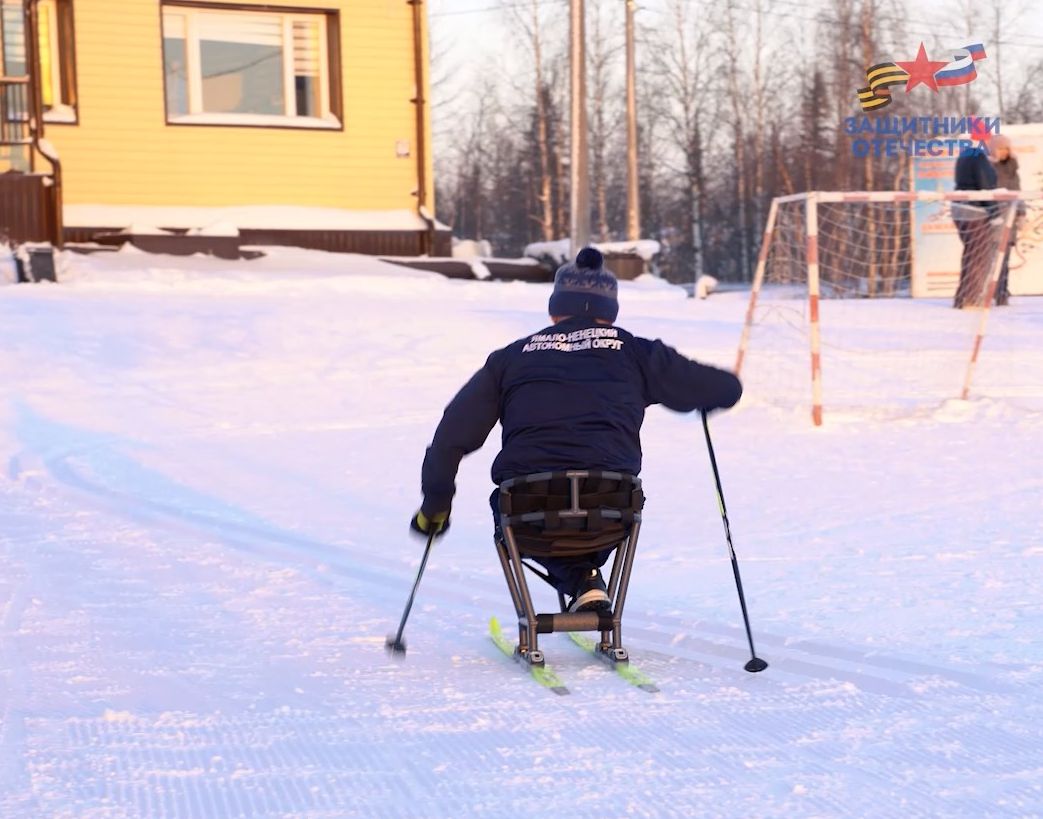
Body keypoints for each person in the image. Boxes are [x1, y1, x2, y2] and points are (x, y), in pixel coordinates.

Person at [410, 248, 742, 612]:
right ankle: (585, 580)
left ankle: (581, 580)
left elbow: (449, 440)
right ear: (610, 312)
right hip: (613, 511)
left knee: (522, 519)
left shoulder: (509, 359)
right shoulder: (636, 353)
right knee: (586, 518)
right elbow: (726, 389)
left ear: (555, 309)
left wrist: (435, 509)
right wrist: (692, 394)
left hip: (527, 511)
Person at [952, 133, 998, 309]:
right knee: (979, 257)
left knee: (971, 255)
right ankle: (970, 298)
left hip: (961, 209)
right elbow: (985, 186)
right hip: (974, 210)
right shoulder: (978, 156)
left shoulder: (964, 155)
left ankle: (963, 297)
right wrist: (994, 213)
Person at [990, 133, 1025, 306]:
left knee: (1005, 257)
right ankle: (995, 291)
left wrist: (1022, 214)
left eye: (1006, 148)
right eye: (1000, 148)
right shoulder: (989, 167)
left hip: (1010, 217)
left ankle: (1003, 290)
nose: (1003, 152)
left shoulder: (1012, 167)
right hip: (995, 217)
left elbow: (1018, 191)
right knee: (995, 257)